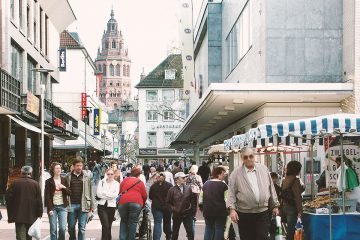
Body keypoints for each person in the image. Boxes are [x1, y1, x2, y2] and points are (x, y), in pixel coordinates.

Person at [226, 147, 279, 240]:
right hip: (244, 214)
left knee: (263, 237)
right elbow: (231, 193)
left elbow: (271, 188)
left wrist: (274, 205)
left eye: (251, 156)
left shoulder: (263, 169)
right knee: (247, 238)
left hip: (263, 212)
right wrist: (232, 210)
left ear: (254, 156)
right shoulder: (235, 174)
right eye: (245, 157)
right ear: (242, 158)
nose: (249, 159)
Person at [6, 166, 43, 240]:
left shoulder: (14, 183)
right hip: (31, 214)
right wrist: (39, 214)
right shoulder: (35, 184)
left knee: (20, 236)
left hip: (18, 214)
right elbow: (39, 201)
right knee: (29, 235)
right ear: (30, 173)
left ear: (21, 173)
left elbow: (8, 200)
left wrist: (10, 214)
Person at [65, 157, 94, 240]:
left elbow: (90, 191)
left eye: (81, 165)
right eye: (77, 165)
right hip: (71, 205)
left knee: (82, 228)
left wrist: (92, 207)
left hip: (84, 205)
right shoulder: (68, 176)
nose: (79, 167)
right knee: (71, 226)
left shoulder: (87, 176)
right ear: (73, 166)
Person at [118, 167, 147, 240]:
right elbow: (144, 195)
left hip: (123, 202)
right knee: (133, 222)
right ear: (139, 175)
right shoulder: (140, 182)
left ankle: (122, 238)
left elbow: (120, 191)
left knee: (124, 221)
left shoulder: (125, 180)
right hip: (136, 203)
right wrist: (143, 205)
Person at [166, 172, 197, 240]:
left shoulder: (188, 188)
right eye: (183, 178)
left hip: (187, 214)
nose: (185, 179)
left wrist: (192, 213)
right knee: (175, 233)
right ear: (177, 179)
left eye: (185, 177)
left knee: (190, 232)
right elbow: (168, 203)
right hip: (177, 214)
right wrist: (174, 209)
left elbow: (193, 201)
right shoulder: (172, 190)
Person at [45, 162, 70, 240]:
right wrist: (50, 208)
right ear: (53, 170)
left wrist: (64, 187)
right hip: (53, 207)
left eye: (59, 168)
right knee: (53, 229)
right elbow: (47, 196)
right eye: (56, 168)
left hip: (63, 207)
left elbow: (69, 192)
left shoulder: (64, 179)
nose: (59, 169)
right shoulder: (49, 181)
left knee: (62, 228)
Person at [201, 167, 228, 240]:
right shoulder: (224, 185)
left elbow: (200, 199)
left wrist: (201, 208)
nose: (224, 175)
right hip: (220, 211)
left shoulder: (205, 184)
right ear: (218, 174)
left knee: (208, 228)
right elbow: (227, 200)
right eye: (223, 174)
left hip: (207, 210)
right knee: (219, 228)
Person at [281, 161, 305, 240]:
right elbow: (297, 196)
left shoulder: (285, 179)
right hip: (292, 208)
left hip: (284, 207)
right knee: (291, 233)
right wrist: (300, 212)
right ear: (297, 169)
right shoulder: (295, 179)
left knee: (289, 231)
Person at [96, 168, 120, 240]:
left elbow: (115, 195)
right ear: (106, 174)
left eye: (111, 174)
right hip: (101, 206)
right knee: (105, 225)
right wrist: (109, 195)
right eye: (108, 174)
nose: (110, 175)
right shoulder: (102, 182)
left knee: (108, 226)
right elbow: (99, 194)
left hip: (111, 206)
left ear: (114, 175)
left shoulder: (117, 184)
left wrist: (104, 193)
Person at [149, 172, 173, 240]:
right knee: (167, 222)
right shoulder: (170, 185)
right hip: (167, 207)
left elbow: (150, 197)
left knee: (157, 223)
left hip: (156, 207)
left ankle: (156, 238)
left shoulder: (153, 186)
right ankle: (168, 237)